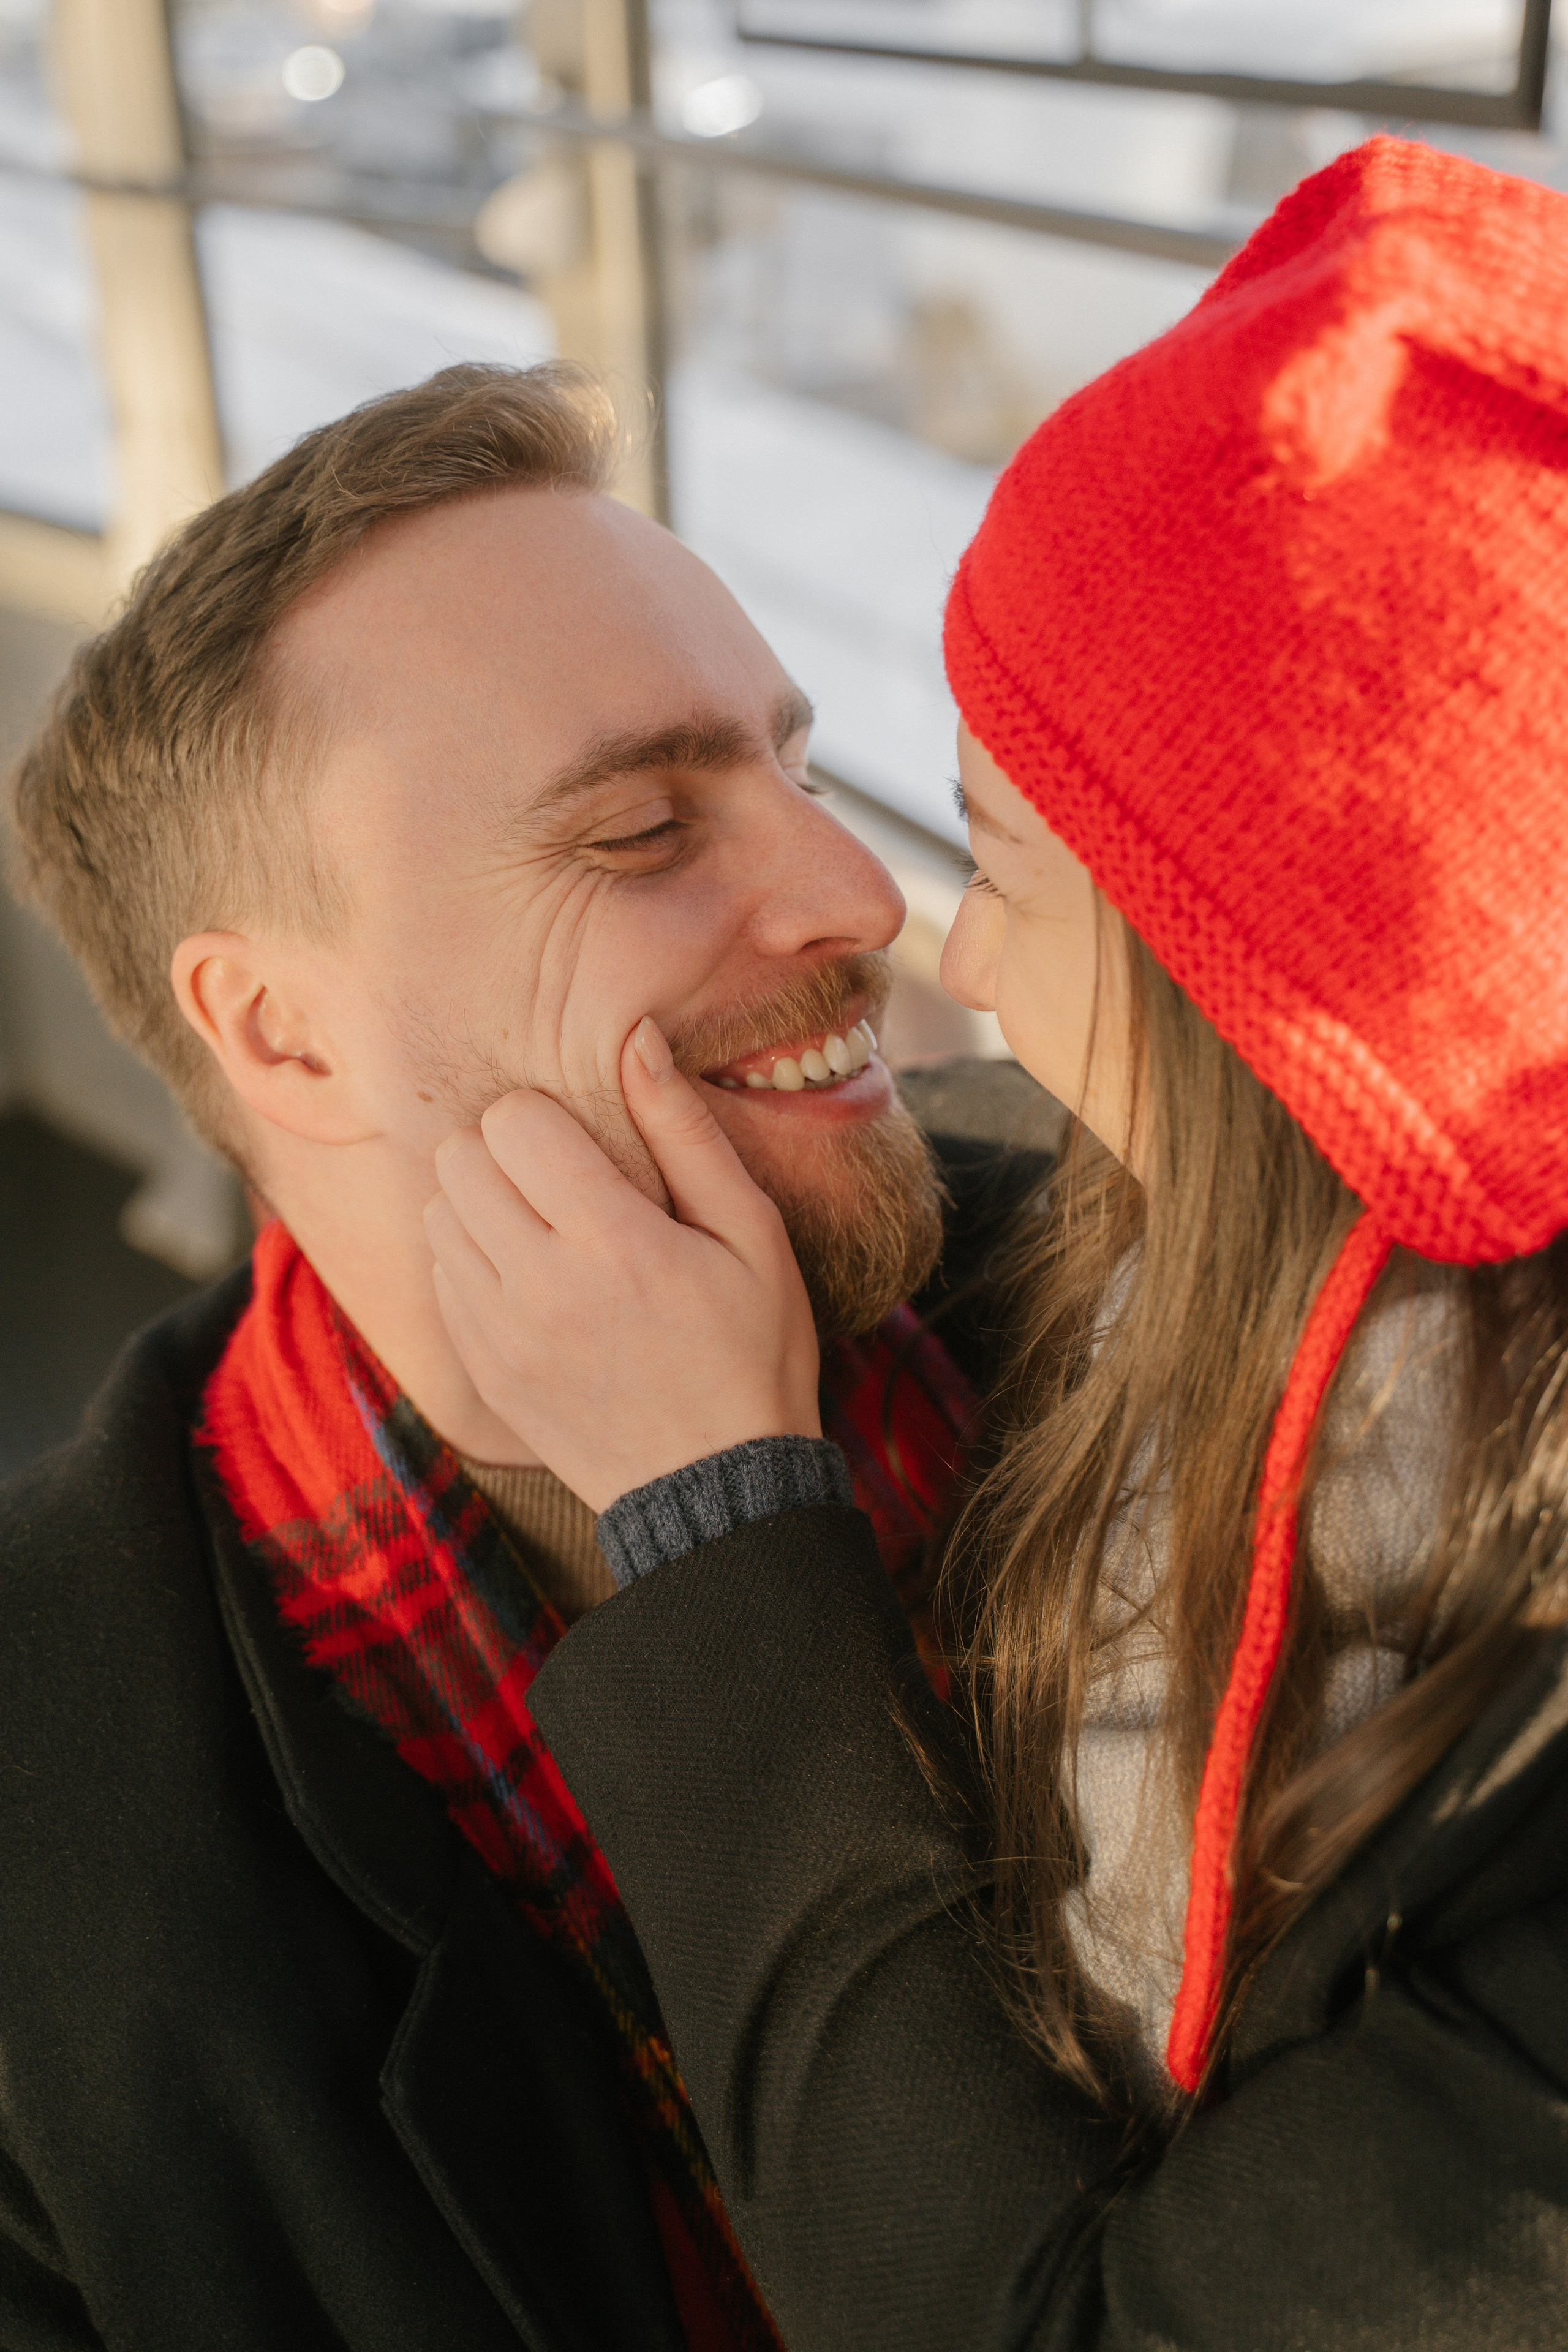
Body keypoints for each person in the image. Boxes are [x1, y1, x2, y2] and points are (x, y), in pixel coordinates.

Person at [424, 138, 1568, 2349]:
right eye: (646, 827)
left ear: (1273, 986)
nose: (915, 937)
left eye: (999, 859)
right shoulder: (1248, 1277)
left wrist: (713, 1516)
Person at [0, 361, 1036, 2350]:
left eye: (795, 770)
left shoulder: (1151, 1293)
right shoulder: (44, 1868)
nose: (855, 901)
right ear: (285, 1034)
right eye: (646, 828)